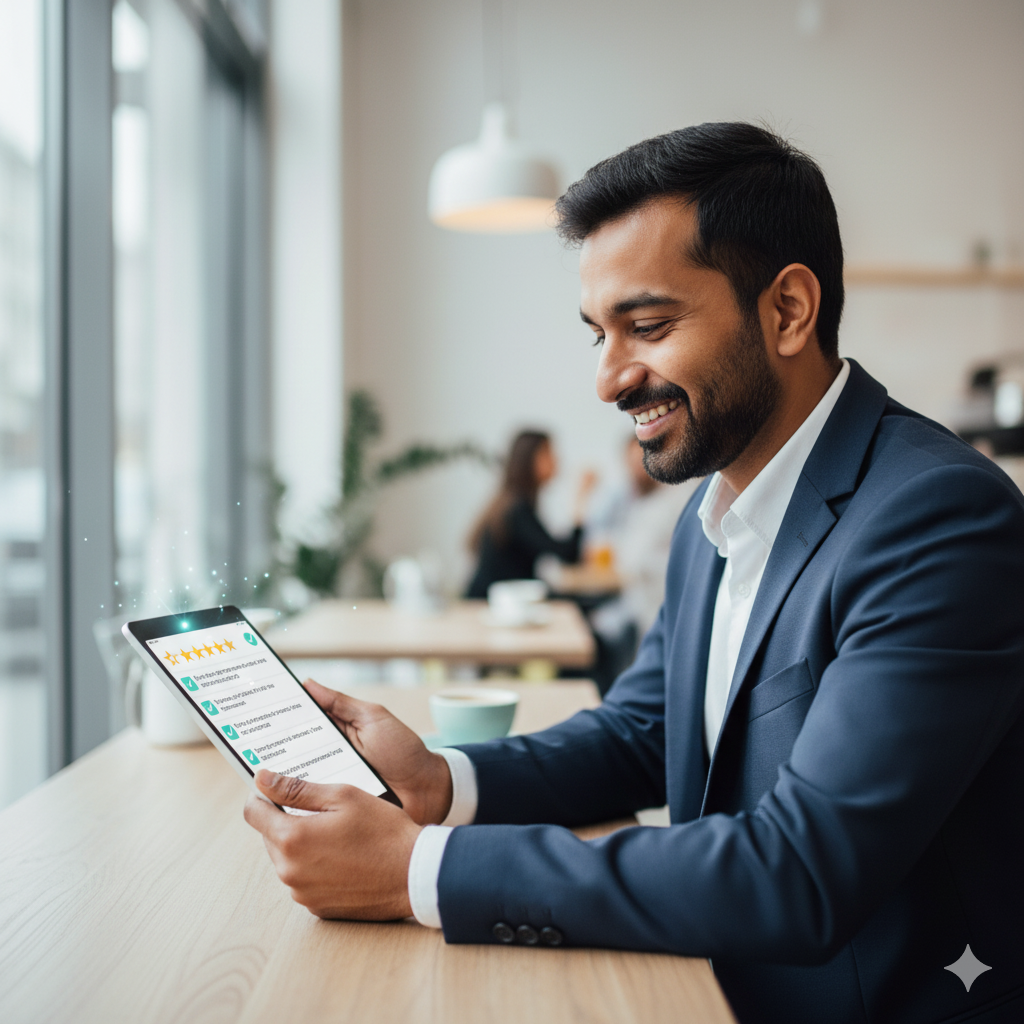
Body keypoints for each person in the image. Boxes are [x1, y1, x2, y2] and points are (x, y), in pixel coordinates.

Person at [244, 124, 1024, 1024]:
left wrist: (416, 870)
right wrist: (440, 784)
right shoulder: (717, 508)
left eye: (647, 327)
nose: (611, 380)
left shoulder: (939, 519)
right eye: (598, 334)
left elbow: (800, 873)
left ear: (788, 312)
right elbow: (644, 731)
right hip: (707, 982)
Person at [464, 430, 594, 598]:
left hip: (503, 600)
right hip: (495, 604)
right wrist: (580, 499)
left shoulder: (511, 502)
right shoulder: (517, 510)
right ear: (529, 460)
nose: (556, 460)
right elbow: (568, 555)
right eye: (548, 453)